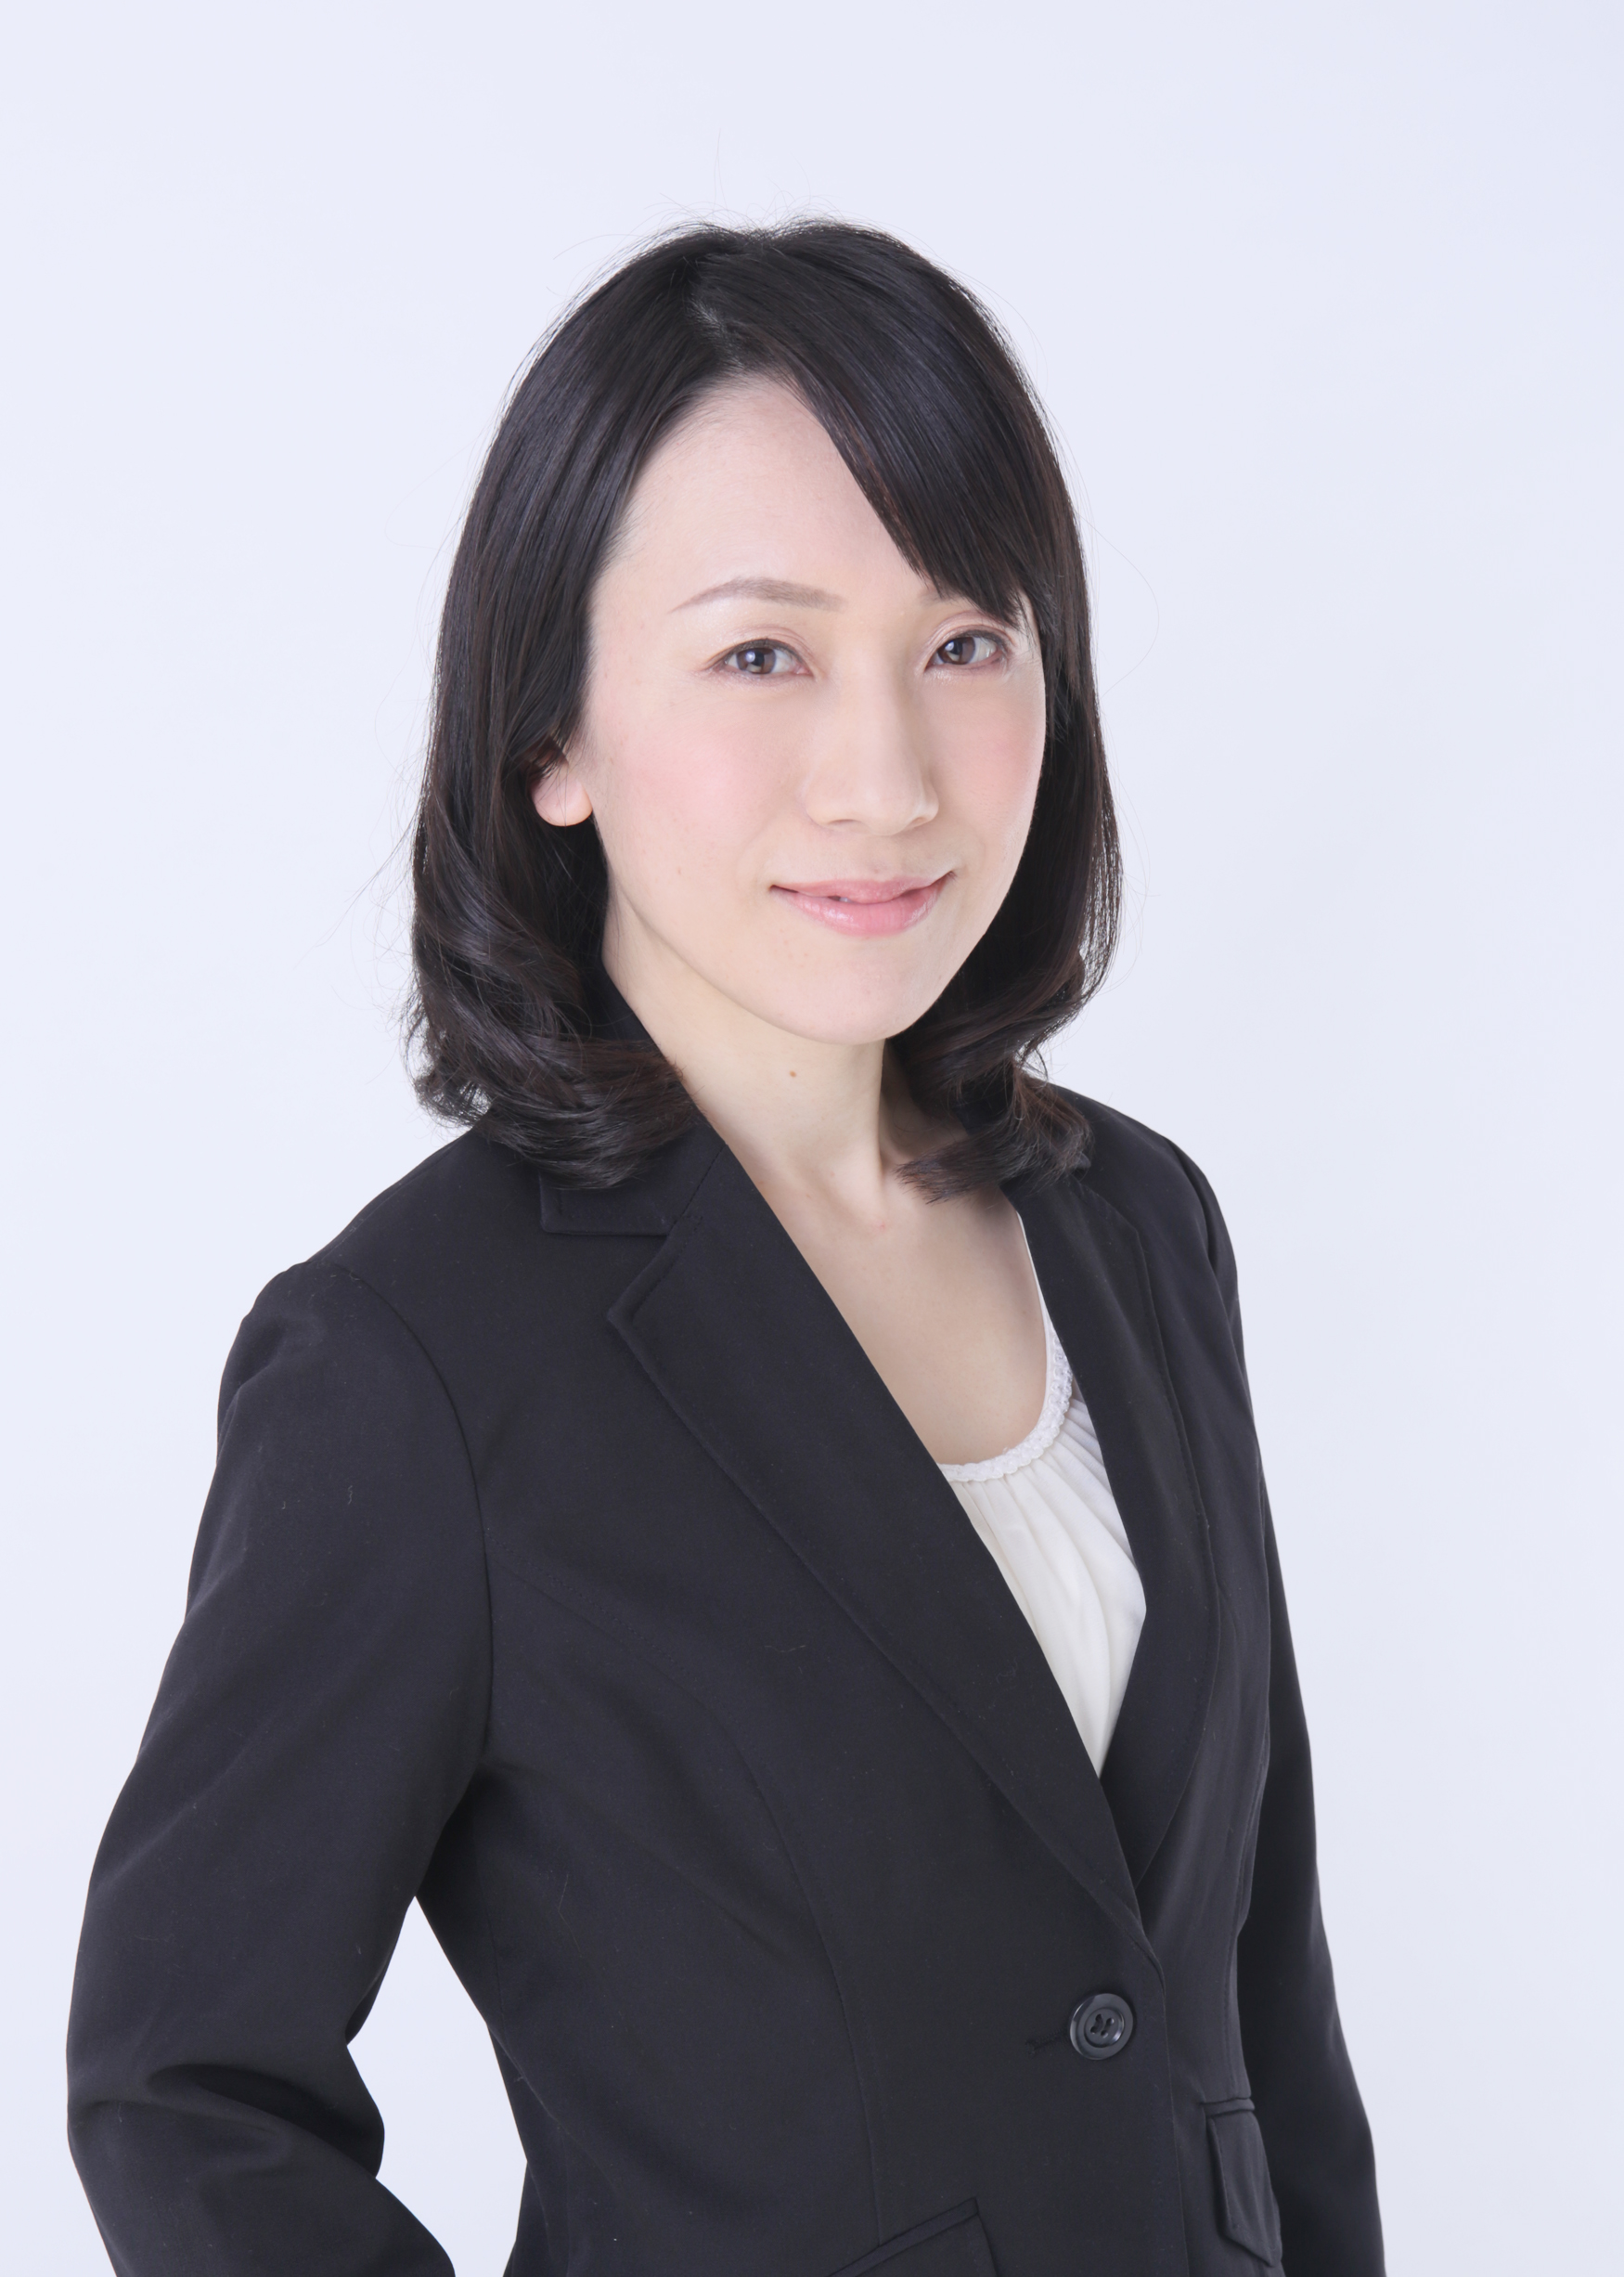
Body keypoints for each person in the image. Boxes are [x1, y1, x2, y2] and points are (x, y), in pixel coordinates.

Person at [66, 222, 1384, 2277]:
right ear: (553, 737)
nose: (884, 777)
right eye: (762, 655)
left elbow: (1256, 2005)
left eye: (965, 642)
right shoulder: (417, 1358)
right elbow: (183, 2086)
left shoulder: (1138, 1227)